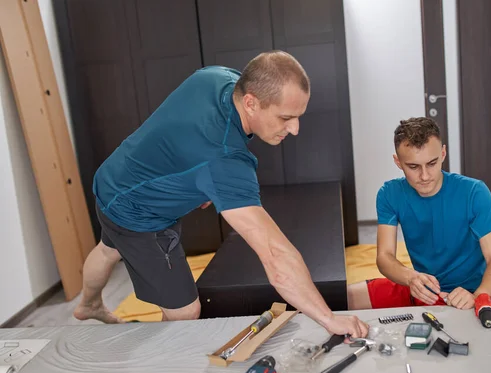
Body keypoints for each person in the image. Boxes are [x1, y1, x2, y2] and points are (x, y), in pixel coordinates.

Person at [74, 51, 369, 338]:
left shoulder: (218, 77)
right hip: (138, 213)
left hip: (112, 177)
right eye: (285, 117)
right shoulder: (224, 160)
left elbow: (179, 130)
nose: (294, 129)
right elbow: (275, 255)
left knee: (108, 249)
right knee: (185, 312)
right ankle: (159, 371)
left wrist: (199, 179)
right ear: (251, 102)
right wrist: (329, 319)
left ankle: (89, 304)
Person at [347, 117, 491, 310]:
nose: (424, 176)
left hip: (465, 294)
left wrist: (479, 296)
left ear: (443, 153)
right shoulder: (389, 194)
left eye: (432, 163)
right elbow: (384, 256)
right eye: (413, 167)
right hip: (418, 286)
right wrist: (410, 277)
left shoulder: (474, 192)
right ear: (398, 162)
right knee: (342, 298)